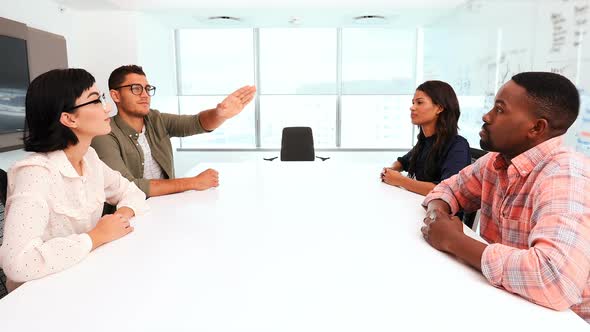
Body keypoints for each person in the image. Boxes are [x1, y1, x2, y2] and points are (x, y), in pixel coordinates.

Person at [421, 72, 590, 323]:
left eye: (500, 110)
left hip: (563, 320)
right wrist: (437, 217)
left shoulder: (566, 175)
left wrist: (454, 241)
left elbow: (554, 279)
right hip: (505, 301)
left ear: (536, 127)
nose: (486, 116)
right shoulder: (496, 161)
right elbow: (447, 190)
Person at [0, 69, 148, 291]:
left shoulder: (89, 158)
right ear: (68, 118)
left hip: (82, 278)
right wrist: (95, 237)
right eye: (95, 100)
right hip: (41, 297)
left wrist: (119, 218)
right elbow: (18, 263)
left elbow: (132, 192)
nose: (107, 107)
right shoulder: (35, 173)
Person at [91, 65, 256, 198]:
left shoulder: (155, 119)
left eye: (147, 89)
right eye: (135, 89)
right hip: (131, 216)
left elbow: (195, 123)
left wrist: (219, 115)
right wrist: (193, 182)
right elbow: (126, 186)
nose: (145, 95)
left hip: (166, 205)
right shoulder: (105, 133)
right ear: (116, 95)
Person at [381, 80, 471, 196]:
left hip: (440, 213)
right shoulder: (424, 142)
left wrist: (400, 180)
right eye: (413, 102)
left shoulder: (458, 146)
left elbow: (446, 190)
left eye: (419, 103)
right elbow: (402, 162)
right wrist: (391, 169)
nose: (412, 108)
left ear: (439, 108)